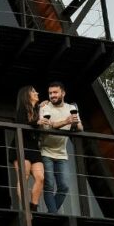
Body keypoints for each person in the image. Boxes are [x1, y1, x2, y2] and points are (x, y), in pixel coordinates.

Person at [39, 80, 82, 213]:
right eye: (50, 93)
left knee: (64, 187)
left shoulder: (71, 108)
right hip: (46, 151)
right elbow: (46, 127)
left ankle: (51, 213)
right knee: (49, 185)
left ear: (63, 93)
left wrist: (74, 123)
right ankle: (53, 214)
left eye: (55, 92)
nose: (52, 95)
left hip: (62, 153)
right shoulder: (45, 108)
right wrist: (66, 121)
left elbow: (80, 128)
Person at [9, 85, 47, 212]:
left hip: (33, 147)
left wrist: (41, 108)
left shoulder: (36, 110)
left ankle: (33, 206)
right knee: (23, 178)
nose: (37, 93)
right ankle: (26, 209)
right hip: (21, 145)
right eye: (33, 91)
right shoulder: (22, 110)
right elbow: (21, 124)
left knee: (40, 177)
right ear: (27, 95)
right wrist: (37, 123)